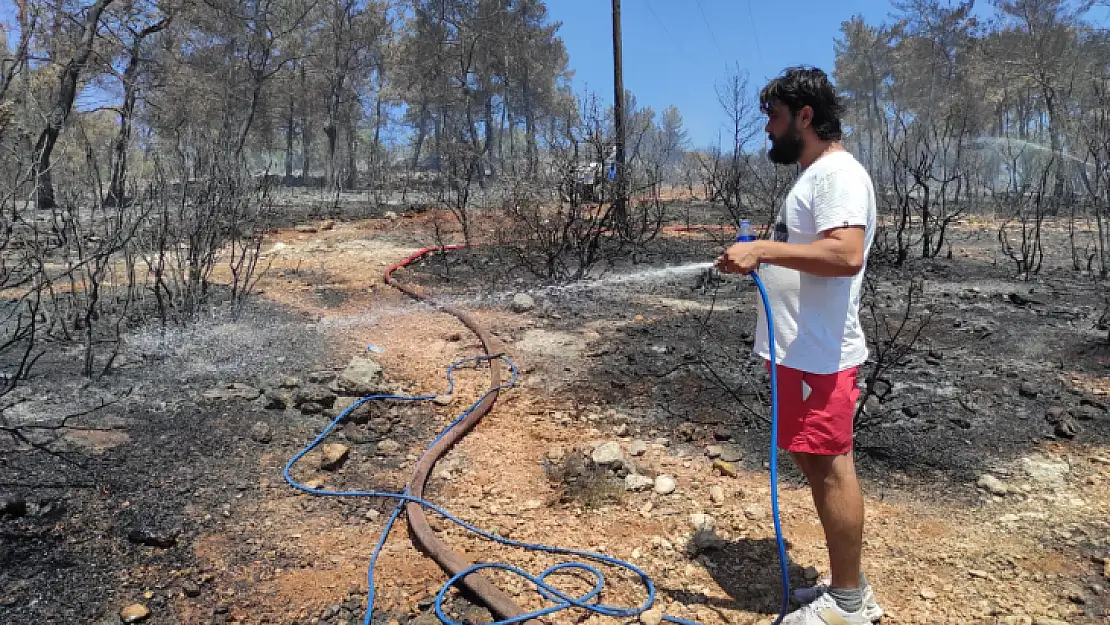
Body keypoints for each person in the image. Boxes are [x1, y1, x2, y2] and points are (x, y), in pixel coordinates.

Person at [714, 66, 883, 625]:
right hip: (800, 352)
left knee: (831, 467)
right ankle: (844, 586)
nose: (767, 128)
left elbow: (845, 254)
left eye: (774, 116)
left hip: (822, 355)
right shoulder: (815, 176)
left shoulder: (837, 173)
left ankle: (850, 602)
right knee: (814, 462)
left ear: (805, 116)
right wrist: (764, 257)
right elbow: (815, 255)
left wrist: (762, 249)